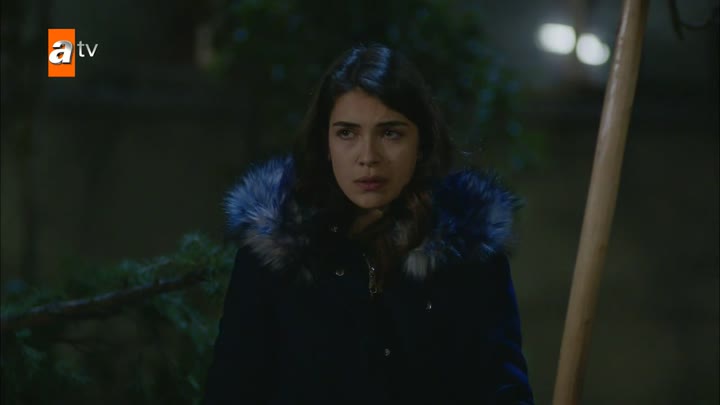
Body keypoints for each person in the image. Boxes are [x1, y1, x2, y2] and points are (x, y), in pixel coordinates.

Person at [203, 43, 534, 404]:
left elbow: (503, 389)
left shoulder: (468, 252)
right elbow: (231, 389)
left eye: (390, 133)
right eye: (347, 133)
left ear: (421, 143)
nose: (368, 157)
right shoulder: (276, 252)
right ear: (325, 143)